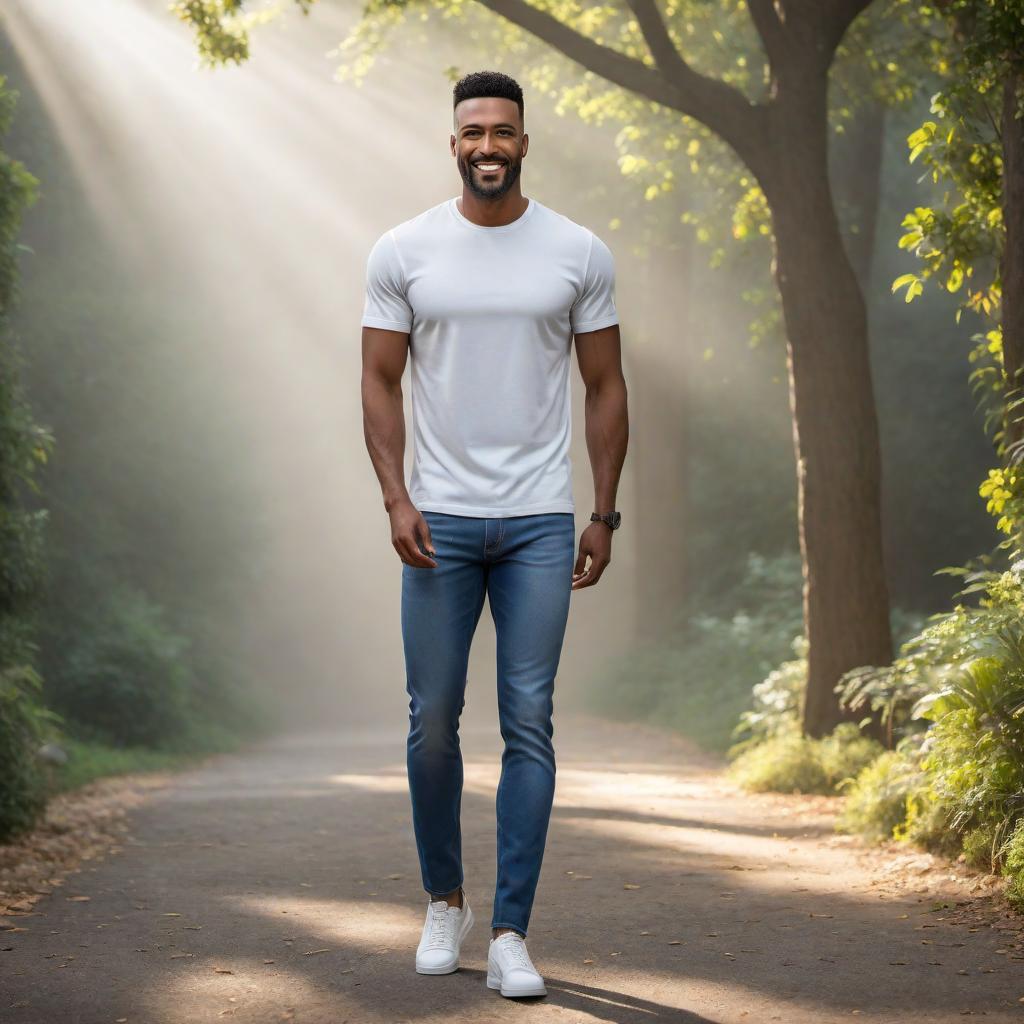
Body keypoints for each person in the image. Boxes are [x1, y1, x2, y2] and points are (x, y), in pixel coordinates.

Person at [359, 69, 629, 999]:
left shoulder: (576, 251)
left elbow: (605, 386)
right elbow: (379, 380)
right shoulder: (403, 251)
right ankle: (446, 899)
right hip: (437, 522)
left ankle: (512, 931)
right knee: (431, 723)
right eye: (472, 131)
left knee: (529, 723)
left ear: (524, 143)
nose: (487, 146)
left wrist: (602, 509)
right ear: (452, 143)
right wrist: (396, 497)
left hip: (540, 528)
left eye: (502, 132)